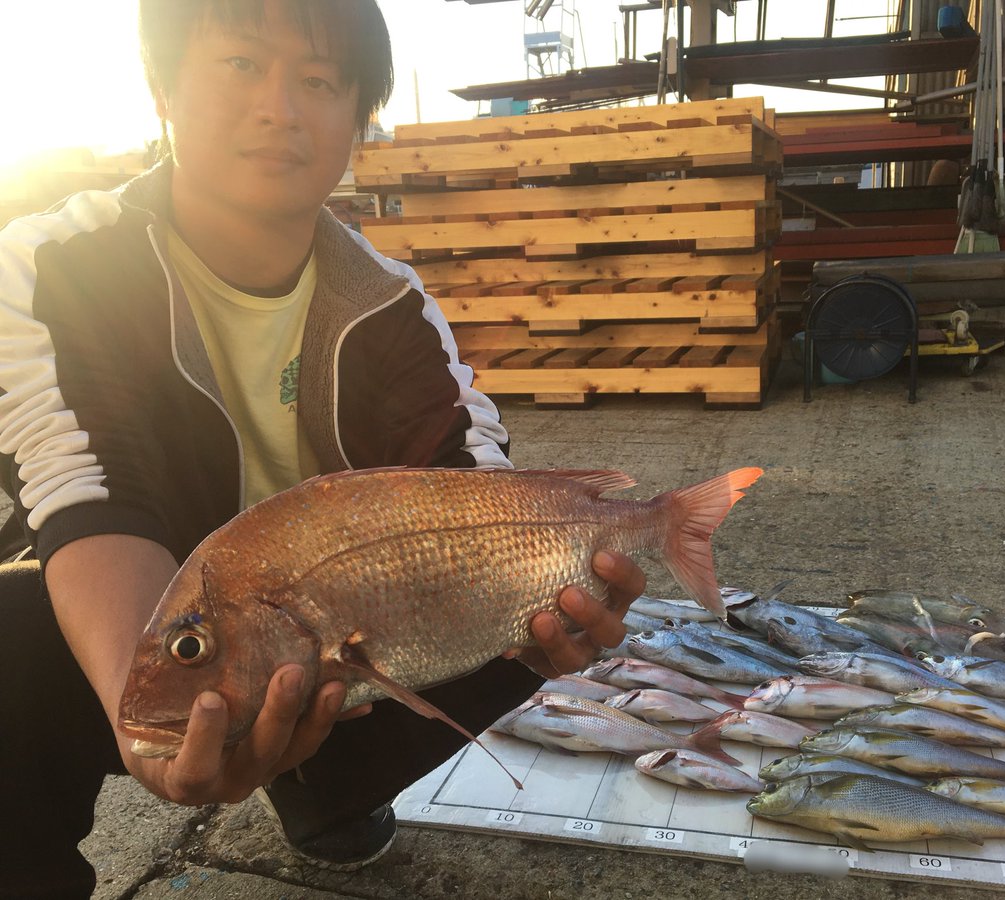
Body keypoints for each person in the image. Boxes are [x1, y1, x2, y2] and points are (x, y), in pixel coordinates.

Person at [0, 1, 646, 896]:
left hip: (349, 633)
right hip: (161, 612)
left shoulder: (392, 302)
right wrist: (141, 709)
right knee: (10, 636)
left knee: (520, 592)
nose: (280, 107)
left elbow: (476, 483)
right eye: (239, 65)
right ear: (162, 86)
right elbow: (82, 488)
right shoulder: (54, 263)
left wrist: (552, 603)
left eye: (318, 81)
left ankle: (328, 792)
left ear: (356, 118)